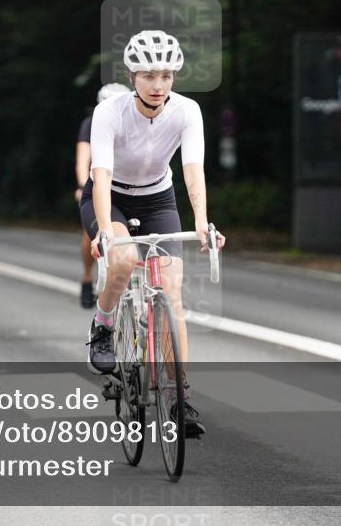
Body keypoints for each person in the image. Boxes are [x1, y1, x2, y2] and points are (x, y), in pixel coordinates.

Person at [81, 30, 226, 437]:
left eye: (166, 76)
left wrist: (201, 223)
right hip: (111, 197)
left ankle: (179, 396)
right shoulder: (109, 112)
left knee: (172, 293)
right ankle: (104, 325)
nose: (158, 85)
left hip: (159, 198)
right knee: (125, 259)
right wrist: (106, 232)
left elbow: (192, 169)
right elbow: (101, 175)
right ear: (132, 77)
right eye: (148, 76)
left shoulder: (187, 111)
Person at [75, 83, 131, 308]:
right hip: (98, 182)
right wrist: (81, 184)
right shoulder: (92, 124)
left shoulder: (134, 124)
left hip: (127, 186)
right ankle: (88, 277)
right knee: (93, 233)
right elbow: (83, 158)